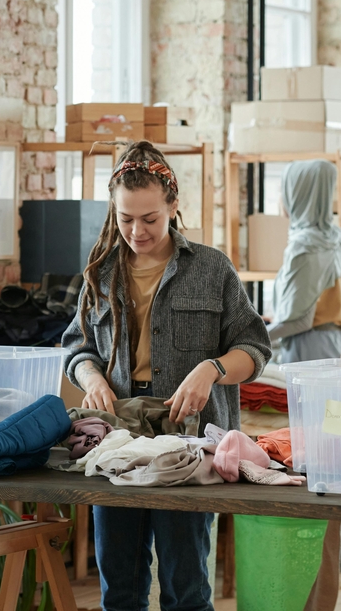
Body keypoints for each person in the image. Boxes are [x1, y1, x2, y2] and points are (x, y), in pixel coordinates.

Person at [63, 141, 271, 611]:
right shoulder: (100, 273)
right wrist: (93, 378)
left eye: (150, 219)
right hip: (117, 441)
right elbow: (76, 346)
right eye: (125, 218)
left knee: (186, 586)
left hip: (188, 440)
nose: (137, 231)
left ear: (173, 206)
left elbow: (255, 348)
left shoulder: (212, 269)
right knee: (120, 586)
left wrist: (212, 369)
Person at [265, 159, 341, 577]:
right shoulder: (334, 237)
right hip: (338, 351)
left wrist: (255, 338)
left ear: (297, 195)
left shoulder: (305, 246)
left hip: (313, 358)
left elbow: (297, 319)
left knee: (323, 455)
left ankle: (339, 557)